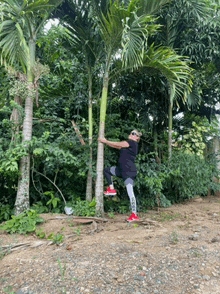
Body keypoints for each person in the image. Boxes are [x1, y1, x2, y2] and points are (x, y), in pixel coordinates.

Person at [99, 130, 142, 222]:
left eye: (134, 134)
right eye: (131, 133)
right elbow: (116, 146)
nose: (131, 134)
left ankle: (134, 214)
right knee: (106, 171)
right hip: (120, 170)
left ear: (137, 138)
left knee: (130, 193)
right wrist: (105, 142)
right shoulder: (127, 145)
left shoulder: (133, 143)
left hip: (129, 171)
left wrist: (106, 141)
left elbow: (120, 143)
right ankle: (111, 189)